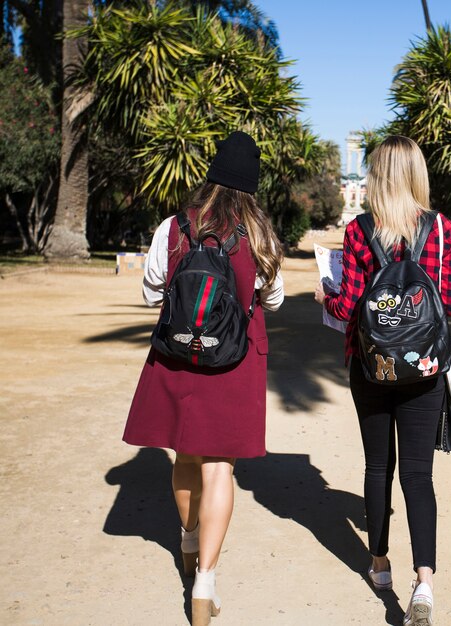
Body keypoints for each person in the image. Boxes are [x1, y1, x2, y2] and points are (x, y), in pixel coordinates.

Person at [123, 131, 284, 626]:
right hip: (233, 360)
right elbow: (273, 300)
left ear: (212, 175)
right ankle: (205, 583)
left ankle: (188, 539)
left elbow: (152, 293)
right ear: (251, 185)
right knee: (220, 469)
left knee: (184, 456)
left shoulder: (173, 227)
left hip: (176, 356)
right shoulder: (259, 235)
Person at [314, 135, 451, 626]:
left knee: (378, 466)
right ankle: (424, 583)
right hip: (424, 370)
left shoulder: (360, 231)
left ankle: (380, 565)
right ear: (418, 173)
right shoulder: (442, 230)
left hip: (372, 366)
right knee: (418, 475)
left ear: (376, 176)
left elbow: (350, 306)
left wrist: (325, 296)